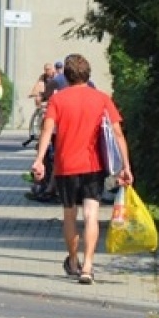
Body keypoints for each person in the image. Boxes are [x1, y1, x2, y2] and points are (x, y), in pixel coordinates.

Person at [28, 53, 132, 285]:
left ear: (66, 75)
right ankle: (88, 266)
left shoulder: (58, 100)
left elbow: (47, 130)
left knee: (70, 215)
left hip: (66, 166)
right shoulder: (102, 98)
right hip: (93, 165)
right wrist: (126, 166)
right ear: (88, 74)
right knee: (91, 215)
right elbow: (117, 133)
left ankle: (73, 260)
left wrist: (39, 160)